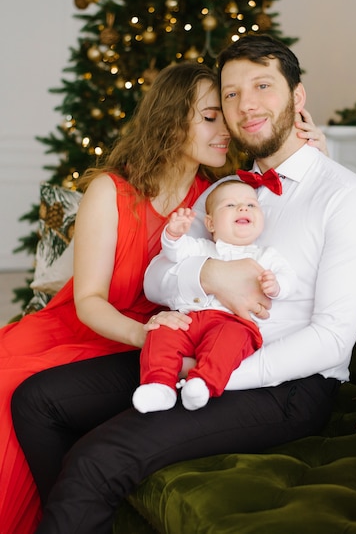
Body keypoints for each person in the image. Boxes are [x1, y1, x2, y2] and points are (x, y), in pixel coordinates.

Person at [11, 34, 356, 534]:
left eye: (263, 86)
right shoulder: (231, 189)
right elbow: (161, 276)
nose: (245, 105)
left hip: (285, 383)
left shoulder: (346, 197)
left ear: (297, 96)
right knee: (37, 400)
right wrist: (207, 272)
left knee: (98, 458)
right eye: (230, 95)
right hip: (196, 344)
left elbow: (332, 339)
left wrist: (208, 373)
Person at [1, 61, 237, 534]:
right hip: (91, 326)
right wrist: (143, 332)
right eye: (210, 117)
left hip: (158, 343)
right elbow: (88, 300)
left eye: (224, 118)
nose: (225, 130)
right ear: (172, 120)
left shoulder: (215, 201)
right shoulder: (110, 191)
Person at [133, 179, 296, 413]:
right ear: (210, 223)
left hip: (234, 322)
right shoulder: (201, 248)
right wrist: (173, 234)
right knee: (162, 333)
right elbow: (175, 253)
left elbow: (288, 278)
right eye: (230, 205)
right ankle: (159, 386)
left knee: (227, 341)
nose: (243, 208)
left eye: (252, 205)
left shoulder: (265, 256)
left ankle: (202, 383)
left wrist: (276, 285)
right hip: (191, 320)